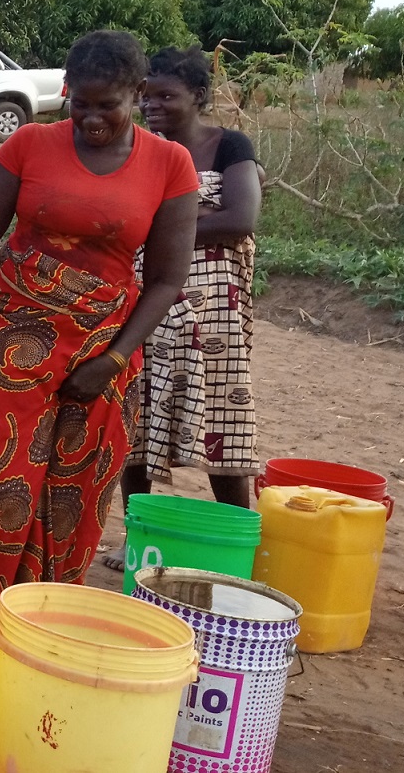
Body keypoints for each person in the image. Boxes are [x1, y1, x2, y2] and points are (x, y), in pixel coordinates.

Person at [0, 30, 197, 610]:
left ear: (137, 94)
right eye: (82, 103)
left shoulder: (170, 165)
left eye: (109, 105)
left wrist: (114, 360)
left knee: (73, 492)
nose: (93, 118)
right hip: (9, 336)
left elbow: (167, 281)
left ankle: (42, 619)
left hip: (103, 347)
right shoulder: (28, 145)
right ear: (65, 92)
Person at [120, 47, 262, 508]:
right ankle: (136, 534)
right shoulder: (139, 149)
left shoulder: (229, 145)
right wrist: (197, 217)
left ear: (199, 96)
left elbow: (240, 217)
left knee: (224, 414)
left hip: (215, 306)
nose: (151, 105)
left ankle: (236, 533)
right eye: (146, 95)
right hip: (146, 294)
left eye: (166, 95)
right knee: (136, 412)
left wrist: (167, 228)